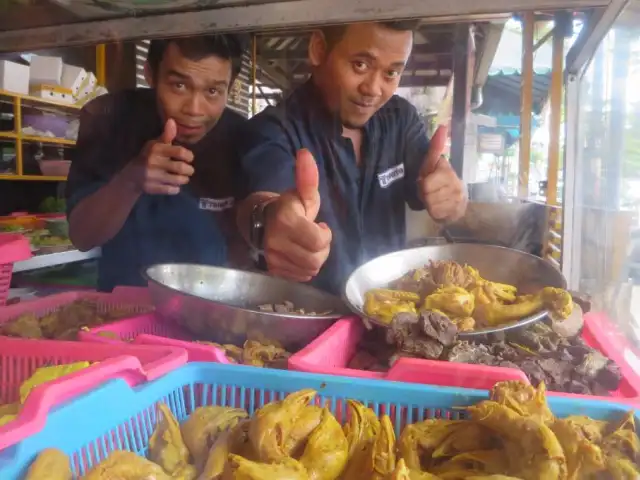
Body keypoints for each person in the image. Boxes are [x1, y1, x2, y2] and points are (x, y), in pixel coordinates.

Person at [237, 21, 468, 294]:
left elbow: (434, 181)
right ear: (319, 49)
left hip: (391, 312)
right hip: (314, 317)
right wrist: (268, 222)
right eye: (360, 65)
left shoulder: (401, 119)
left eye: (391, 73)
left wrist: (455, 198)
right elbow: (262, 205)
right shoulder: (275, 129)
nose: (373, 89)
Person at [66, 34, 248, 291]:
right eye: (179, 86)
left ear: (230, 87)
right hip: (123, 309)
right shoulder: (108, 118)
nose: (195, 109)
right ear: (150, 74)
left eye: (212, 91)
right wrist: (131, 181)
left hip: (209, 311)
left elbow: (245, 246)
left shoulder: (241, 138)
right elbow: (82, 237)